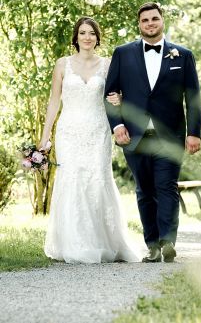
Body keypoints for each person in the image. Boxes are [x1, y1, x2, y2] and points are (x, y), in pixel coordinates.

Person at [104, 2, 201, 263]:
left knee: (166, 187)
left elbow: (192, 98)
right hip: (133, 136)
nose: (150, 23)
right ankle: (152, 245)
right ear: (139, 24)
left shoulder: (183, 55)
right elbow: (110, 94)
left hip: (169, 136)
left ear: (162, 21)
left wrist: (194, 132)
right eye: (145, 20)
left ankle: (168, 241)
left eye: (154, 19)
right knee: (145, 190)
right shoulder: (123, 54)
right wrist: (117, 126)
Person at [40, 16, 140, 264]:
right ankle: (73, 243)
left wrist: (120, 100)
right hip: (69, 131)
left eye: (92, 33)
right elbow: (54, 102)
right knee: (72, 180)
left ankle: (103, 242)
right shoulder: (62, 64)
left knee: (97, 179)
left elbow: (119, 94)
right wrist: (45, 137)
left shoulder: (108, 65)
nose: (87, 37)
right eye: (83, 33)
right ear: (76, 37)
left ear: (97, 38)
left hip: (98, 130)